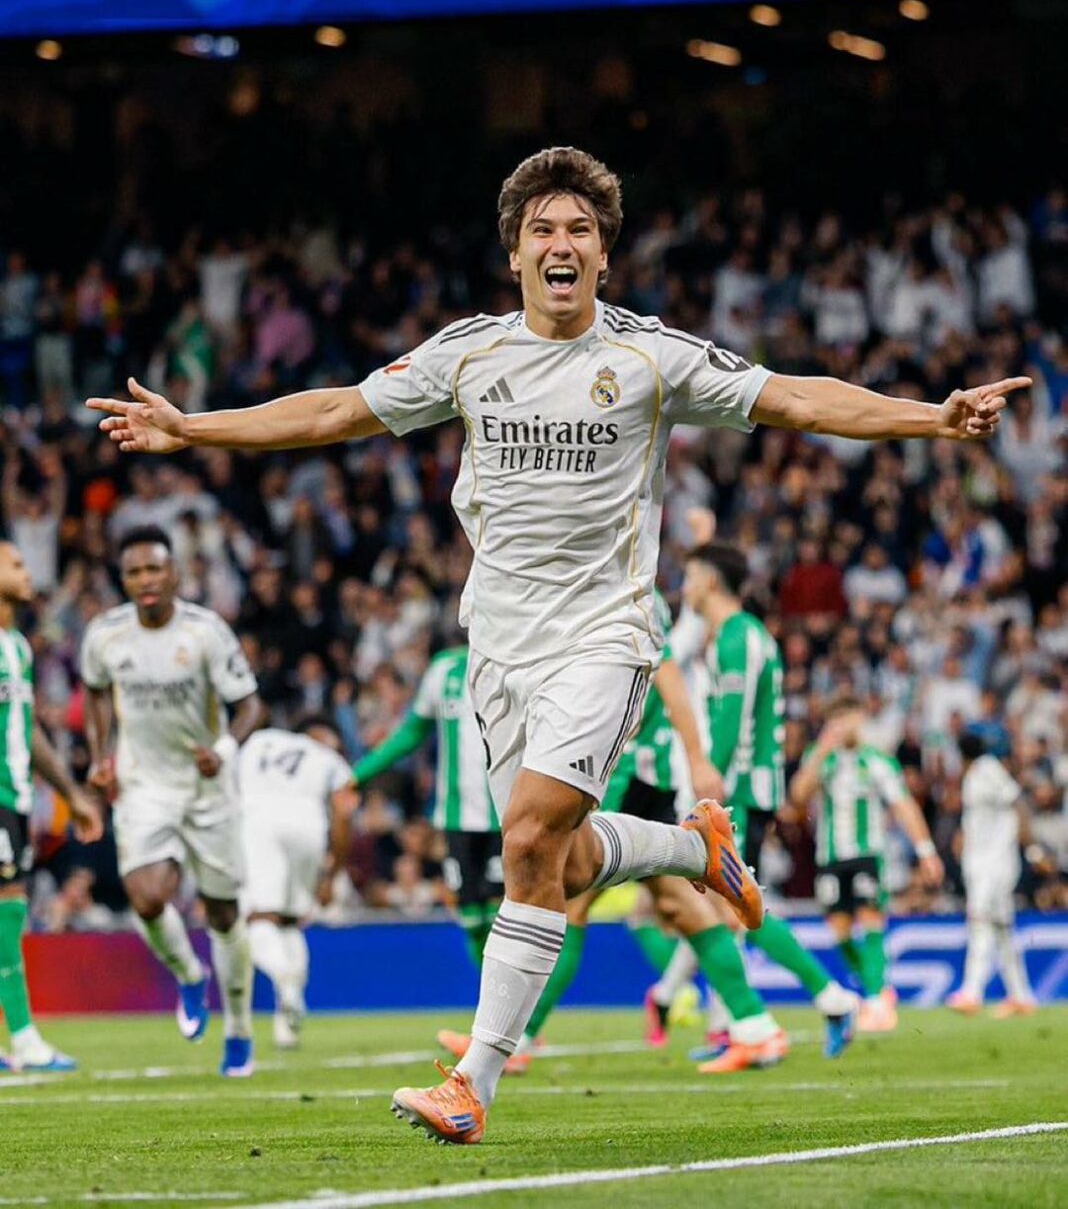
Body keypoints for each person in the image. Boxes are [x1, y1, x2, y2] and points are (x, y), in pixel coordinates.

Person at [87, 145, 1028, 1143]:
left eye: (580, 229)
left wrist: (931, 419)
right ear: (516, 254)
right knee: (563, 865)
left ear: (604, 256)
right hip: (499, 646)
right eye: (543, 229)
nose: (561, 243)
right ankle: (692, 845)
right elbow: (334, 410)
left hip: (604, 633)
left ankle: (473, 1084)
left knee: (529, 839)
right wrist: (196, 429)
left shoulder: (650, 356)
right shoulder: (469, 355)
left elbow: (796, 396)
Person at [436, 596, 798, 1076]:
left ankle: (517, 1036)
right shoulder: (606, 586)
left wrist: (697, 758)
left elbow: (667, 676)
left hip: (632, 773)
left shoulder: (629, 590)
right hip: (634, 771)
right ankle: (755, 1025)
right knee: (675, 906)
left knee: (567, 893)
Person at [79, 525, 266, 1077]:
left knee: (223, 912)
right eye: (134, 572)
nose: (145, 580)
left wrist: (223, 750)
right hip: (143, 786)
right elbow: (95, 691)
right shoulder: (105, 636)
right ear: (123, 579)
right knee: (146, 898)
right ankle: (189, 974)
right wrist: (101, 755)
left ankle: (239, 1029)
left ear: (174, 573)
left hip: (207, 788)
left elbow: (250, 705)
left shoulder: (206, 632)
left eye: (154, 569)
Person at [676, 542, 859, 1060]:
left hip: (738, 791)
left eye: (690, 577)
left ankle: (829, 1000)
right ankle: (738, 1028)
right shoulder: (742, 635)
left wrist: (708, 788)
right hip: (745, 788)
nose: (685, 587)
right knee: (726, 910)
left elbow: (732, 722)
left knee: (737, 909)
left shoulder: (739, 637)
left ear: (711, 581)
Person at [0, 540, 103, 1073]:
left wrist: (71, 794)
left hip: (15, 797)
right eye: (15, 563)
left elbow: (29, 730)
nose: (26, 571)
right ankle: (24, 1038)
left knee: (9, 910)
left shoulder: (16, 647)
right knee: (8, 909)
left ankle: (21, 1038)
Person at [789, 695, 944, 1032]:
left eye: (848, 716)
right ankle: (879, 990)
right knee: (840, 932)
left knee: (871, 919)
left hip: (867, 855)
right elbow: (798, 796)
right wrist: (820, 754)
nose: (842, 724)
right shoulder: (821, 758)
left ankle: (874, 1001)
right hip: (830, 857)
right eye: (835, 718)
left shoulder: (876, 760)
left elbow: (903, 805)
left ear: (860, 719)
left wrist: (926, 850)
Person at [353, 645, 503, 973]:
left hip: (506, 815)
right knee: (472, 920)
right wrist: (358, 775)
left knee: (502, 917)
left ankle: (520, 1006)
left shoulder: (518, 658)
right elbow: (412, 732)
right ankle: (491, 998)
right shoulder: (444, 669)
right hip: (456, 816)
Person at [238, 713, 354, 1048]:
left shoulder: (259, 741)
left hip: (259, 822)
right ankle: (286, 1027)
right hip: (309, 825)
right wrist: (333, 873)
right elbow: (343, 814)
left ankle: (283, 976)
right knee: (289, 922)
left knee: (260, 918)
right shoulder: (330, 759)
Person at [946, 732, 1036, 1017]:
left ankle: (971, 992)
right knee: (1001, 928)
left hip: (994, 863)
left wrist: (1032, 849)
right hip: (983, 861)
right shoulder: (976, 774)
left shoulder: (986, 768)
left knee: (980, 920)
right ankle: (1021, 996)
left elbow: (1017, 802)